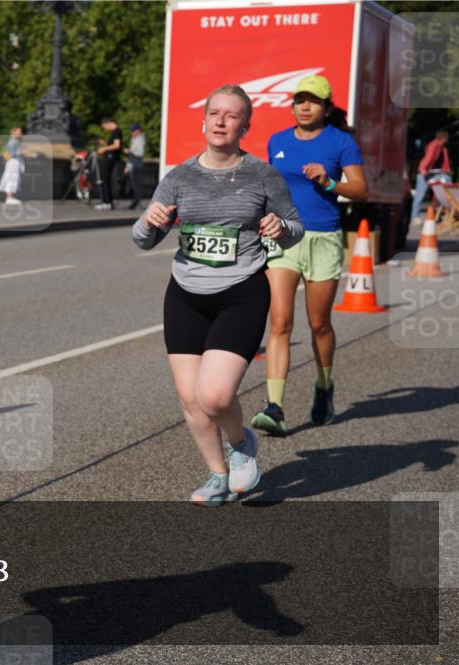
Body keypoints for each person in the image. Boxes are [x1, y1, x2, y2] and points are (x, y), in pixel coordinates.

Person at [132, 84, 303, 506]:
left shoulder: (262, 174)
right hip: (186, 294)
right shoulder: (179, 176)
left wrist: (281, 229)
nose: (221, 121)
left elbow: (295, 228)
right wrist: (149, 221)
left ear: (246, 125)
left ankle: (239, 440)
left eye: (231, 115)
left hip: (241, 292)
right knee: (190, 399)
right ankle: (216, 475)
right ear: (204, 120)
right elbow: (142, 240)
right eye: (214, 113)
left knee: (215, 395)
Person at [252, 75, 368, 437]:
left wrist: (329, 182)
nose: (304, 106)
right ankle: (275, 406)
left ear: (326, 108)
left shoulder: (341, 142)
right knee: (280, 322)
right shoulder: (278, 141)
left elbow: (362, 190)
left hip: (323, 238)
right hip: (284, 238)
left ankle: (324, 385)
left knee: (319, 323)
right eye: (299, 100)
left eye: (313, 101)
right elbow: (269, 187)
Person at [410, 129, 452, 223]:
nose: (447, 141)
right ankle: (414, 217)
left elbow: (445, 162)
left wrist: (447, 171)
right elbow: (428, 157)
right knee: (420, 195)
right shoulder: (433, 145)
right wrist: (423, 169)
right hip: (424, 173)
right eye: (446, 139)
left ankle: (449, 207)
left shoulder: (443, 148)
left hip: (433, 173)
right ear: (442, 138)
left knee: (447, 180)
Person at [95, 117, 122, 210]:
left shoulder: (116, 131)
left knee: (104, 179)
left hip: (110, 158)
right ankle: (108, 202)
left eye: (104, 127)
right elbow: (114, 144)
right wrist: (105, 143)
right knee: (105, 179)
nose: (105, 129)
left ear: (108, 123)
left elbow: (117, 145)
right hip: (110, 158)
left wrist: (104, 149)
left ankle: (107, 202)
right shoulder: (115, 132)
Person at [0, 126, 25, 205]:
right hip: (13, 162)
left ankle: (10, 197)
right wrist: (23, 152)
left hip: (13, 162)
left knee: (12, 178)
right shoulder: (13, 141)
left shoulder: (14, 141)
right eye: (19, 132)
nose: (21, 134)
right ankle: (9, 198)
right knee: (12, 178)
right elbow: (11, 154)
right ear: (14, 133)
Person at [126, 122, 146, 210]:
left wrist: (130, 151)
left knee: (136, 185)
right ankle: (135, 202)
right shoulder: (134, 139)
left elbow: (140, 153)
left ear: (137, 131)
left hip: (137, 165)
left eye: (133, 131)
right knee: (134, 184)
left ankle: (136, 202)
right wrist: (128, 166)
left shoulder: (140, 139)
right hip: (133, 164)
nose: (132, 133)